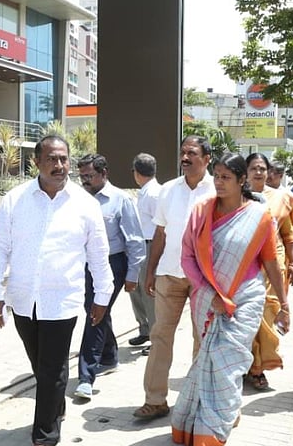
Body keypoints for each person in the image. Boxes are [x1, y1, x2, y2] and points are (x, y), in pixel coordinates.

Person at [0, 135, 114, 446]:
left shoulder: (84, 204)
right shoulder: (16, 200)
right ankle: (55, 407)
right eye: (52, 159)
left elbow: (99, 254)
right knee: (41, 366)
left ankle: (45, 439)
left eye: (64, 159)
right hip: (23, 300)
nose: (59, 165)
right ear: (37, 162)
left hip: (62, 300)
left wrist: (102, 296)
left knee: (53, 368)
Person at [173, 153, 289, 446]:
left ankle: (213, 444)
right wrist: (210, 294)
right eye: (217, 176)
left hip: (245, 300)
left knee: (227, 366)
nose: (219, 182)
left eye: (226, 177)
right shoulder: (201, 211)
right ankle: (213, 419)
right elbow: (187, 256)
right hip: (208, 300)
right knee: (208, 362)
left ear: (241, 180)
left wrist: (284, 303)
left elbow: (270, 262)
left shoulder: (259, 216)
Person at [134, 135, 215, 420]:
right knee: (160, 336)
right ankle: (155, 400)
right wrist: (151, 271)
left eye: (192, 153)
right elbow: (160, 233)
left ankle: (196, 401)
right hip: (169, 274)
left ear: (206, 159)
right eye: (183, 152)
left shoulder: (218, 190)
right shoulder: (168, 190)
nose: (185, 158)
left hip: (203, 279)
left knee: (202, 339)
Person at [73, 154, 145, 400]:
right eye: (82, 176)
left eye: (89, 176)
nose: (85, 180)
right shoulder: (79, 200)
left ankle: (86, 376)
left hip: (112, 263)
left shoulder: (120, 199)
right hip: (85, 263)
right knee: (96, 310)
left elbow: (135, 240)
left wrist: (133, 275)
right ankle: (109, 356)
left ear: (104, 173)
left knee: (95, 313)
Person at [245, 152, 293, 391]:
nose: (258, 172)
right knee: (246, 316)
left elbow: (288, 233)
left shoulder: (282, 198)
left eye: (262, 168)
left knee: (268, 314)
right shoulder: (236, 196)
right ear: (246, 172)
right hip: (244, 265)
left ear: (268, 172)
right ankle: (248, 365)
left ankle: (259, 367)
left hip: (272, 265)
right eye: (254, 168)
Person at [128, 153, 162, 350]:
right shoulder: (145, 192)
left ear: (137, 172)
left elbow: (162, 227)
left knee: (149, 292)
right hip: (140, 245)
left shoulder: (154, 194)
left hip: (151, 246)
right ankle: (144, 329)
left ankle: (156, 337)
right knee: (136, 289)